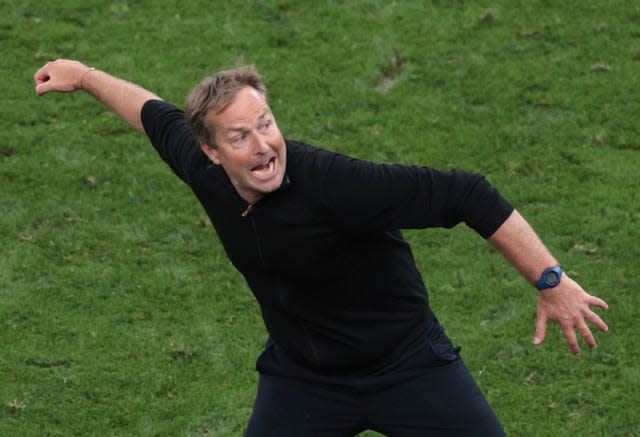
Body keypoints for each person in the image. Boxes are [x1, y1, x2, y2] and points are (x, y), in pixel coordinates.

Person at [34, 59, 609, 436]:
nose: (263, 146)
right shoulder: (200, 169)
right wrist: (83, 76)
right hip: (304, 378)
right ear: (211, 152)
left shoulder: (336, 184)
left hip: (407, 365)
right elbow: (150, 113)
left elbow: (466, 194)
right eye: (240, 136)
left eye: (266, 123)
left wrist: (551, 281)